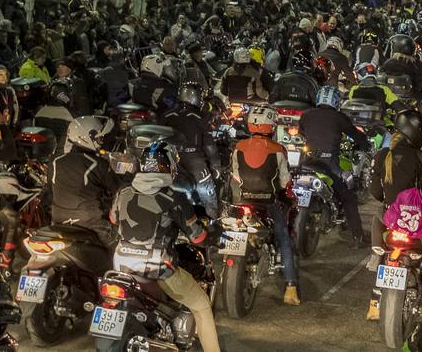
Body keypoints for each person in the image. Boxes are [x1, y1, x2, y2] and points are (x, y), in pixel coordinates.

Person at [109, 139, 220, 352]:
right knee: (202, 304)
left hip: (121, 264)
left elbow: (114, 219)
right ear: (170, 165)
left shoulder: (123, 193)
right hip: (157, 267)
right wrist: (211, 236)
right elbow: (197, 237)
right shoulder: (173, 198)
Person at [369, 109, 422, 319]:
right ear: (415, 131)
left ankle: (376, 256)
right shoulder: (421, 156)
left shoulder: (382, 155)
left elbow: (375, 192)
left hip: (391, 219)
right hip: (415, 220)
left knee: (378, 214)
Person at [231, 105, 300, 305]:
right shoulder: (278, 149)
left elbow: (235, 175)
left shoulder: (239, 147)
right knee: (284, 239)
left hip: (244, 201)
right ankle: (290, 287)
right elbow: (285, 181)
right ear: (271, 125)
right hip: (268, 203)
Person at [299, 85, 370, 245]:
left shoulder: (306, 115)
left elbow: (302, 131)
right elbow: (356, 135)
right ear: (336, 101)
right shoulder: (339, 117)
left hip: (306, 162)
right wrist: (365, 144)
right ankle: (358, 238)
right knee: (349, 197)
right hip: (329, 165)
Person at [50, 115, 120, 244]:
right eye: (99, 138)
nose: (101, 141)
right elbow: (117, 189)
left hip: (58, 221)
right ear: (86, 137)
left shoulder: (56, 162)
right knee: (120, 241)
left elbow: (50, 191)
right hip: (90, 224)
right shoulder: (97, 164)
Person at [161, 82, 221, 217]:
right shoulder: (200, 117)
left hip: (170, 162)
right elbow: (210, 146)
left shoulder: (167, 115)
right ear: (196, 98)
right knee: (208, 192)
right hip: (194, 161)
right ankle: (212, 220)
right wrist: (216, 167)